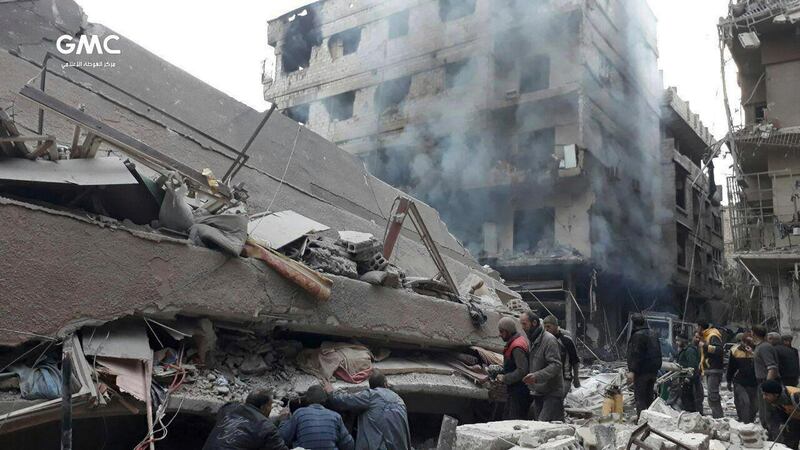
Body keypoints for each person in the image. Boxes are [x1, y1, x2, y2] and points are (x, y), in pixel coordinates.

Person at [327, 370, 411, 450]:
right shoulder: (399, 400)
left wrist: (331, 392)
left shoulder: (371, 395)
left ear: (371, 387)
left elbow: (342, 400)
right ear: (385, 384)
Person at [203, 389, 289, 450]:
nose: (271, 408)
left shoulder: (227, 408)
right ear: (263, 407)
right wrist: (284, 421)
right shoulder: (267, 428)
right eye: (270, 405)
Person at [519, 311, 564, 421]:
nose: (522, 327)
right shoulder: (532, 340)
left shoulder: (549, 340)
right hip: (538, 391)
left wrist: (536, 376)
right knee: (541, 426)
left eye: (524, 324)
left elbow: (556, 365)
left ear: (534, 323)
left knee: (544, 425)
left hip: (552, 392)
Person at [279, 385, 354, 450]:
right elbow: (349, 445)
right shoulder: (336, 416)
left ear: (307, 400)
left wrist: (284, 420)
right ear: (325, 400)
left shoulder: (299, 413)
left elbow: (283, 438)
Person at [627, 313, 662, 417]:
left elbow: (636, 354)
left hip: (641, 372)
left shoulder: (638, 335)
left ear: (634, 324)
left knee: (640, 398)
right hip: (653, 371)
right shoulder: (653, 334)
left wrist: (632, 371)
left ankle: (642, 421)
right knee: (649, 397)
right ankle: (650, 420)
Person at [497, 316, 531, 419]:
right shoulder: (518, 340)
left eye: (501, 332)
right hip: (516, 390)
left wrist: (505, 378)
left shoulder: (516, 347)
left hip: (519, 391)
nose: (500, 335)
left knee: (513, 420)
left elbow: (522, 371)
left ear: (508, 331)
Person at [754, 325, 781, 436]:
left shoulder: (764, 347)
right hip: (764, 382)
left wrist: (767, 388)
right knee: (764, 414)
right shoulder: (762, 346)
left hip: (766, 383)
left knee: (768, 414)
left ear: (753, 334)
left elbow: (772, 368)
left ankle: (774, 438)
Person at [543, 315, 581, 394]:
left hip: (564, 378)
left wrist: (576, 378)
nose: (546, 329)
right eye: (545, 327)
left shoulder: (566, 341)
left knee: (556, 401)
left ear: (556, 326)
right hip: (549, 379)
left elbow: (575, 360)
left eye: (548, 326)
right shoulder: (545, 341)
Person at [728, 333, 758, 423]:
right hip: (740, 382)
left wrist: (752, 353)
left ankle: (750, 421)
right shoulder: (735, 351)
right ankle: (744, 422)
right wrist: (729, 380)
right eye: (744, 342)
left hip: (754, 382)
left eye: (749, 342)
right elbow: (731, 367)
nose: (746, 344)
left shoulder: (757, 350)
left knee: (754, 405)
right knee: (744, 401)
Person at [697, 320, 725, 418]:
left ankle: (718, 418)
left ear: (700, 327)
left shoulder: (713, 335)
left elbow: (719, 350)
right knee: (711, 396)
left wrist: (704, 346)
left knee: (713, 396)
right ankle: (716, 416)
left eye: (697, 328)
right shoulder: (706, 336)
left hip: (714, 369)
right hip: (709, 369)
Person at [762, 380, 800, 449]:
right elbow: (781, 411)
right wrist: (783, 423)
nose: (764, 397)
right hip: (795, 417)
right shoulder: (775, 400)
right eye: (763, 394)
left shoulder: (795, 396)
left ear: (775, 394)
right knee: (790, 438)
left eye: (766, 394)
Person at [674, 333, 700, 412]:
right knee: (685, 400)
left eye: (678, 340)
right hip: (684, 379)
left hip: (689, 381)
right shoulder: (684, 350)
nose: (676, 343)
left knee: (689, 401)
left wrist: (688, 378)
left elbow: (692, 366)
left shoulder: (689, 351)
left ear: (683, 341)